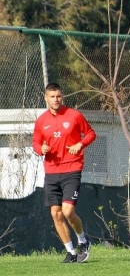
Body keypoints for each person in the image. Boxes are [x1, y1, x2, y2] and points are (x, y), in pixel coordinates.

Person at [32, 83, 96, 263]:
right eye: (52, 96)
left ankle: (83, 240)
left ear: (62, 96)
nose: (56, 99)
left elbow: (91, 134)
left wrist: (80, 144)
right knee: (56, 214)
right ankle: (70, 251)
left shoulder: (74, 115)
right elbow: (36, 143)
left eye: (58, 96)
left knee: (68, 211)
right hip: (52, 172)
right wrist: (41, 148)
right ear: (46, 98)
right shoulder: (41, 121)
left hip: (72, 169)